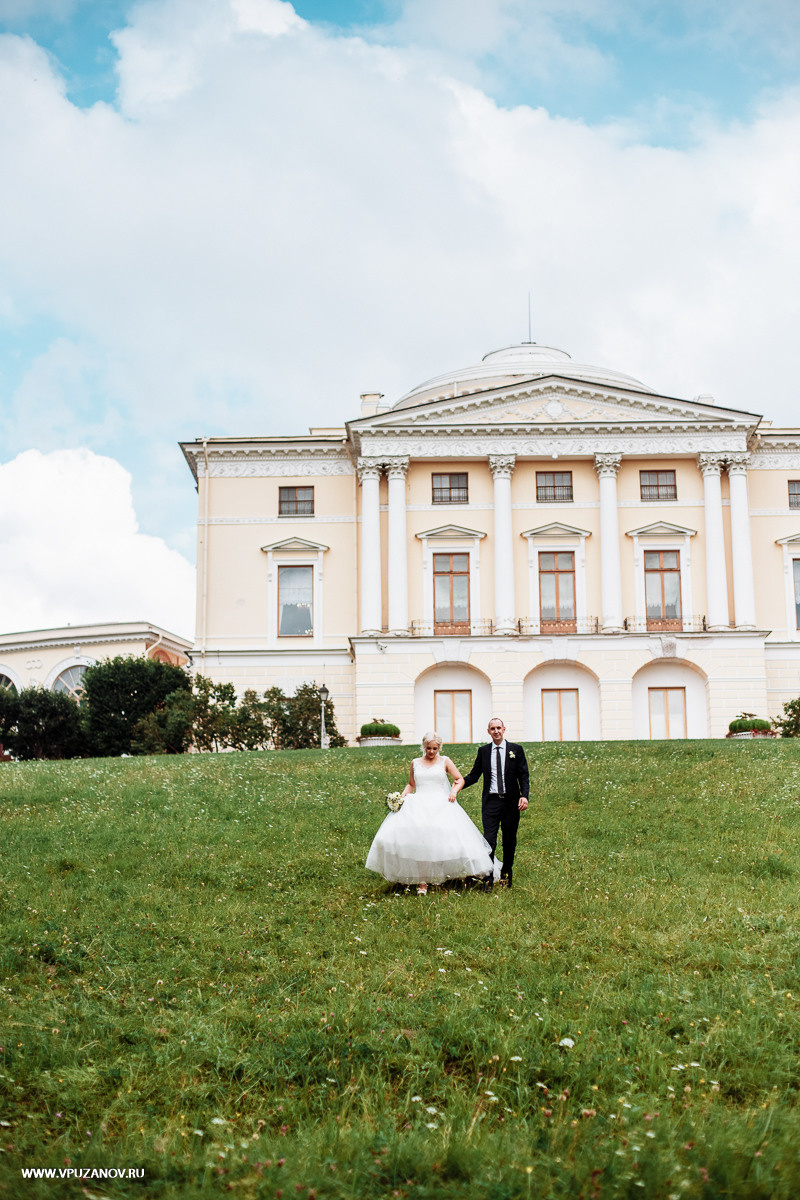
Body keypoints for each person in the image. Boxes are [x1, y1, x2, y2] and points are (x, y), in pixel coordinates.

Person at [365, 731, 500, 894]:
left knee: (439, 842)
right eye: (428, 748)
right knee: (420, 843)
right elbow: (411, 784)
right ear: (424, 747)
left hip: (441, 804)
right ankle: (422, 882)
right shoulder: (415, 763)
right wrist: (400, 798)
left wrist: (454, 792)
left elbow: (459, 779)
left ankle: (437, 878)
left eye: (434, 749)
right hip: (419, 804)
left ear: (439, 748)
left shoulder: (445, 761)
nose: (431, 752)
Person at [461, 717, 529, 889]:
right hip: (491, 802)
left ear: (504, 729)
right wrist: (457, 785)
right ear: (488, 731)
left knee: (509, 841)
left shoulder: (516, 750)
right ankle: (488, 878)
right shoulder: (483, 751)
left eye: (499, 728)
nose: (496, 731)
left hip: (511, 803)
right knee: (489, 841)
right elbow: (474, 775)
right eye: (493, 728)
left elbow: (524, 776)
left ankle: (506, 875)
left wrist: (524, 796)